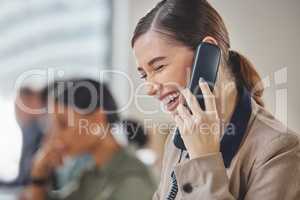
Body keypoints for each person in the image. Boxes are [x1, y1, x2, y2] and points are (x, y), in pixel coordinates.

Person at [131, 0, 300, 199]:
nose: (150, 88)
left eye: (159, 67)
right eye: (144, 75)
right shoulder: (179, 140)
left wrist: (204, 160)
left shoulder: (279, 151)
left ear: (207, 54)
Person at [23, 78, 156, 200]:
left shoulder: (132, 180)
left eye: (63, 124)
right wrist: (39, 175)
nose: (54, 137)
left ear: (98, 120)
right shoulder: (93, 174)